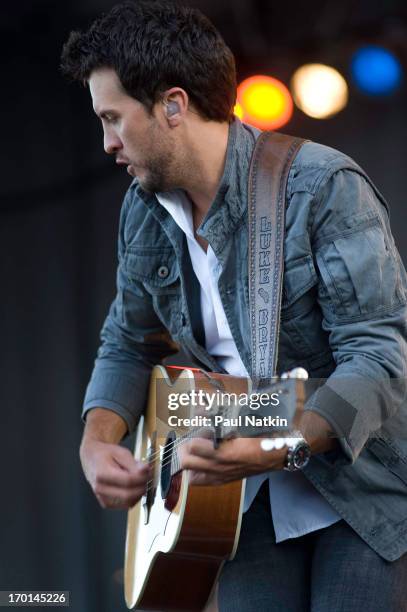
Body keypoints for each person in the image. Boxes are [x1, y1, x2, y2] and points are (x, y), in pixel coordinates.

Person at [61, 2, 407, 610]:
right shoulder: (142, 213)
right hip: (237, 508)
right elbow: (127, 342)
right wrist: (96, 442)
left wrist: (276, 447)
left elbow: (377, 359)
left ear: (173, 104)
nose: (108, 143)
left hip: (366, 495)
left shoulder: (322, 189)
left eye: (113, 118)